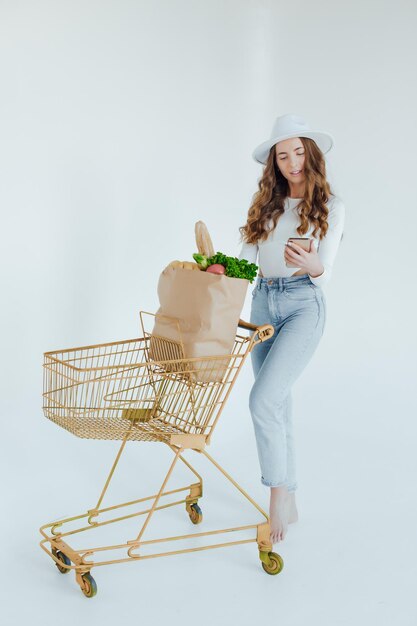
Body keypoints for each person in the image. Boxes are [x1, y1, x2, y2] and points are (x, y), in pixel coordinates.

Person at [238, 113, 345, 545]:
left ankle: (276, 496)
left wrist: (310, 263)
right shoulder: (267, 203)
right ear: (275, 163)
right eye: (283, 156)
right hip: (263, 301)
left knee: (262, 399)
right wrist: (226, 289)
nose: (292, 162)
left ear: (311, 154)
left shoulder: (332, 206)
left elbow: (326, 270)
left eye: (298, 152)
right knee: (277, 404)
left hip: (304, 305)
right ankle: (293, 496)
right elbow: (247, 259)